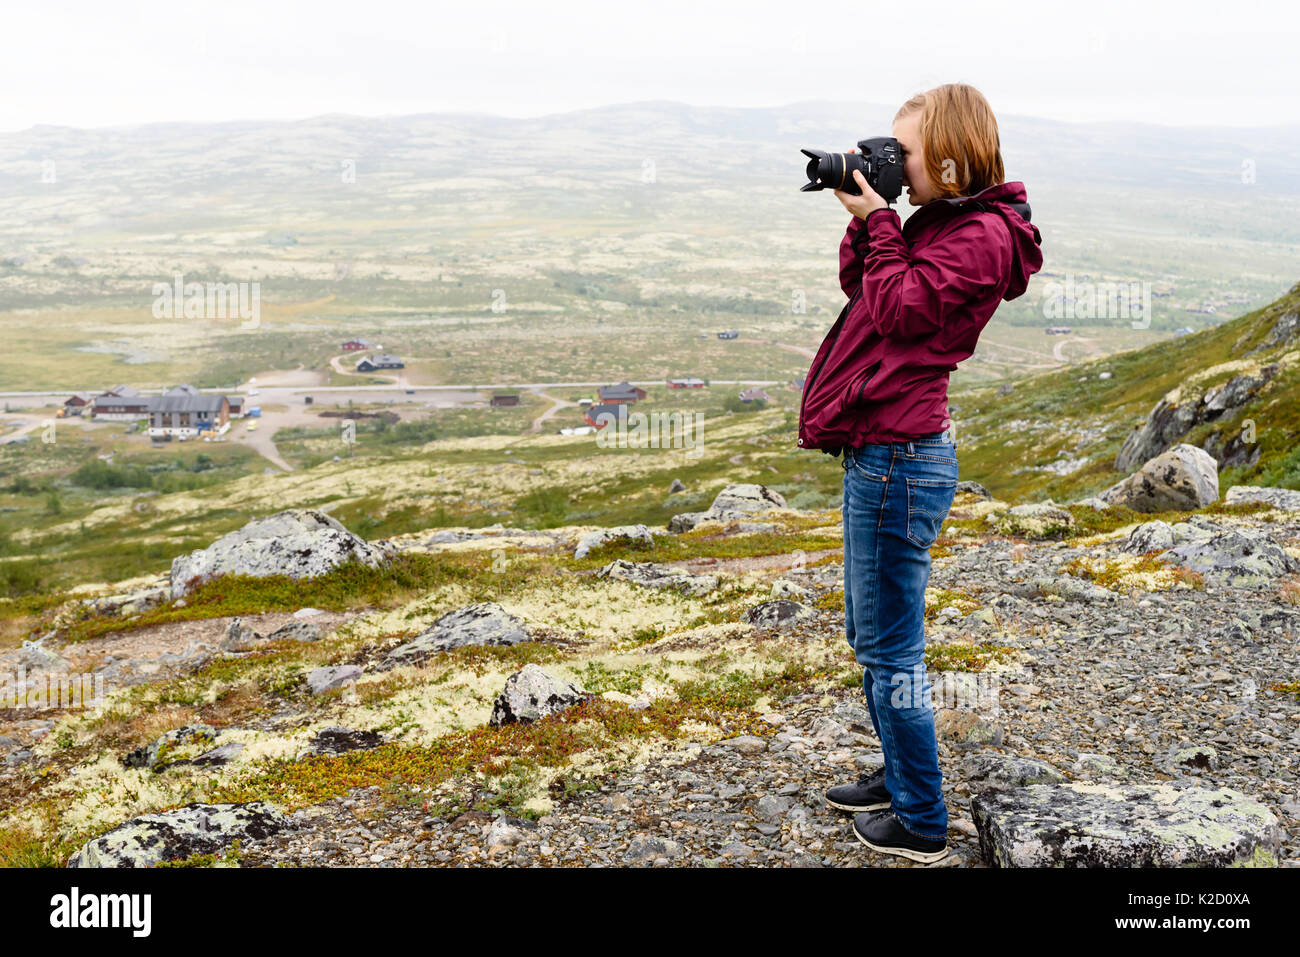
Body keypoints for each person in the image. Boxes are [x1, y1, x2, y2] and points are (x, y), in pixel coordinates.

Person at [818, 83, 1043, 863]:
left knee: (892, 649)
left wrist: (881, 219)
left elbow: (904, 313)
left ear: (948, 156)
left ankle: (921, 817)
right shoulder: (941, 221)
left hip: (899, 461)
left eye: (902, 152)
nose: (893, 163)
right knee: (872, 634)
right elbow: (866, 290)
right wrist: (873, 216)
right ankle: (900, 772)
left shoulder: (980, 237)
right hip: (883, 452)